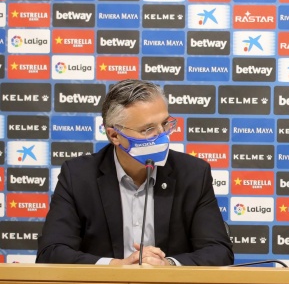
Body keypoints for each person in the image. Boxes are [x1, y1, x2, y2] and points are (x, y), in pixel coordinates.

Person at [37, 79, 233, 266]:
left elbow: (219, 252)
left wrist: (168, 265)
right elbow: (51, 252)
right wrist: (116, 266)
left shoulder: (193, 174)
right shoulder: (78, 176)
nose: (162, 135)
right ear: (115, 135)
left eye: (165, 124)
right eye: (148, 129)